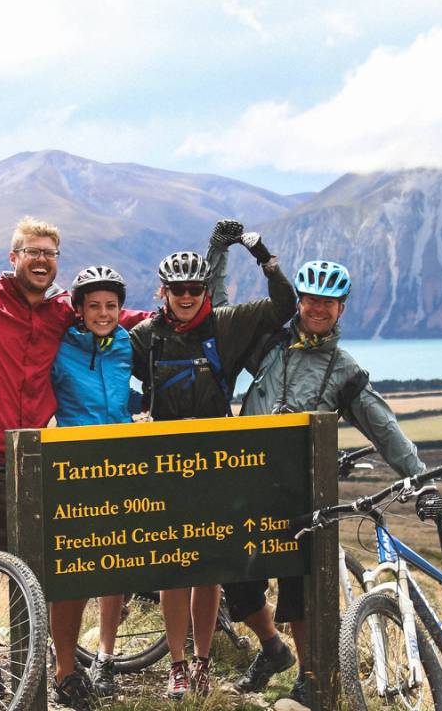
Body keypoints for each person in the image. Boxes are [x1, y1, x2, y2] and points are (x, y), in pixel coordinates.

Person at [0, 165, 148, 706]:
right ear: (13, 259)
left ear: (57, 262)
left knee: (32, 572)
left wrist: (185, 311)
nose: (42, 259)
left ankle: (35, 671)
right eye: (31, 251)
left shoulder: (66, 312)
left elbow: (121, 317)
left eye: (50, 253)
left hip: (32, 459)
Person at [226, 259, 428, 708]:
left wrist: (419, 477)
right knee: (236, 577)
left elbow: (383, 426)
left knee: (300, 589)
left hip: (304, 491)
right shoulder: (268, 343)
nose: (318, 308)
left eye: (328, 302)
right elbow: (218, 319)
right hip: (248, 482)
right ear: (299, 301)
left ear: (342, 309)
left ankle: (310, 679)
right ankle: (273, 650)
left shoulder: (343, 368)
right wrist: (222, 253)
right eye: (311, 299)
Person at [130, 221, 296, 700]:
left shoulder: (226, 323)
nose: (186, 296)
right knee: (171, 567)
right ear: (163, 291)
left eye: (194, 288)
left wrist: (261, 252)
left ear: (204, 289)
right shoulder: (146, 336)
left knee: (208, 567)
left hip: (217, 462)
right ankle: (177, 665)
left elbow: (284, 306)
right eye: (178, 289)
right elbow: (106, 363)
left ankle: (201, 662)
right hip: (164, 463)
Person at [46, 265, 137, 709]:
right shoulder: (59, 345)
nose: (103, 313)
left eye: (111, 306)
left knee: (114, 564)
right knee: (74, 571)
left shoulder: (125, 343)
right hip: (74, 466)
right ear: (77, 310)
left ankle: (104, 656)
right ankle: (64, 664)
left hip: (118, 464)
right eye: (94, 306)